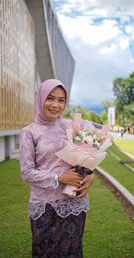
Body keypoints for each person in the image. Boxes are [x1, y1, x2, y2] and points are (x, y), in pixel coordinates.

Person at [20, 79, 94, 258]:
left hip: (74, 201)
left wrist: (90, 174)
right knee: (46, 252)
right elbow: (27, 172)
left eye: (61, 100)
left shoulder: (72, 127)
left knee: (72, 251)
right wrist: (60, 178)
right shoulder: (30, 132)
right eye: (50, 98)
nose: (55, 105)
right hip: (45, 206)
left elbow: (85, 155)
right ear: (41, 99)